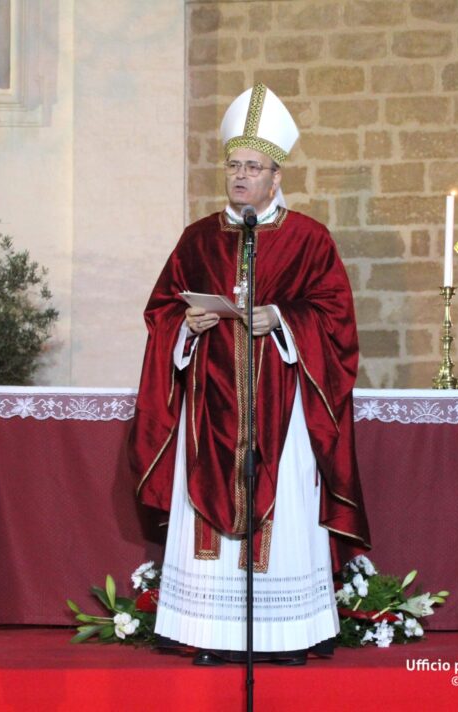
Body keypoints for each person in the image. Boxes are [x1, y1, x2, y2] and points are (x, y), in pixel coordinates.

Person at [130, 84, 370, 666]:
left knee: (281, 508)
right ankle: (212, 633)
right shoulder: (197, 237)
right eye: (233, 165)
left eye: (252, 167)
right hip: (209, 408)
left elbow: (336, 319)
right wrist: (185, 325)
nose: (239, 176)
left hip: (281, 412)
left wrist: (282, 319)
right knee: (210, 517)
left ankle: (285, 635)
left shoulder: (309, 239)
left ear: (276, 176)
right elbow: (160, 310)